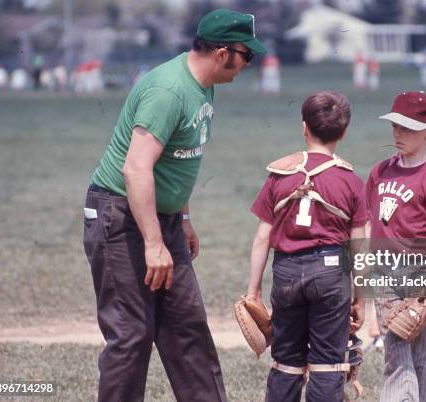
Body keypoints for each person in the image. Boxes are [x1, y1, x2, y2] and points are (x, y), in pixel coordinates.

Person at [82, 9, 266, 402]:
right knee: (132, 333)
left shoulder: (205, 85)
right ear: (221, 52)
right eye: (245, 54)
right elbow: (136, 168)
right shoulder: (169, 91)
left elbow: (181, 158)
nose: (248, 63)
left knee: (187, 326)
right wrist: (152, 242)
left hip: (160, 218)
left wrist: (181, 216)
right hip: (119, 215)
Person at [246, 91, 367, 402]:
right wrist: (360, 298)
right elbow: (359, 245)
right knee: (328, 365)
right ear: (344, 132)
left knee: (285, 362)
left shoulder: (280, 175)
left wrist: (253, 291)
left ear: (304, 127)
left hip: (286, 271)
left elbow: (262, 238)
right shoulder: (350, 180)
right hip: (330, 272)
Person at [366, 91, 426, 402]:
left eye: (407, 127)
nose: (398, 133)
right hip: (384, 273)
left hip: (420, 274)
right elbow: (369, 225)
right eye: (395, 126)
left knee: (422, 350)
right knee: (396, 347)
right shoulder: (379, 172)